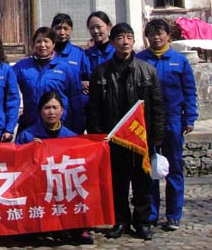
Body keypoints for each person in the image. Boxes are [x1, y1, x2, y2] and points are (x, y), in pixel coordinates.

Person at [88, 23, 165, 241]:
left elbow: (158, 105)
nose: (125, 42)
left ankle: (143, 222)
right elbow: (94, 108)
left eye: (129, 37)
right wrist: (97, 134)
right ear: (112, 42)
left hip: (140, 136)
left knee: (142, 182)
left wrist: (157, 133)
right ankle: (120, 220)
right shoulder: (101, 72)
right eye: (120, 38)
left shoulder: (147, 70)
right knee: (117, 183)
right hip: (113, 137)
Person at [138, 18, 198, 231]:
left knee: (174, 168)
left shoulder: (179, 61)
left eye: (160, 33)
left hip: (173, 120)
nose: (156, 37)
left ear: (168, 36)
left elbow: (189, 91)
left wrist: (190, 118)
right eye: (152, 34)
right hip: (147, 122)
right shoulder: (140, 60)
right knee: (149, 169)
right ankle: (151, 213)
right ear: (147, 37)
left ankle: (173, 214)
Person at [15, 92, 94, 245]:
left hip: (62, 185)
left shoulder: (71, 137)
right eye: (47, 108)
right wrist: (28, 149)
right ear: (40, 111)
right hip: (36, 185)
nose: (51, 112)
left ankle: (77, 227)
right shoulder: (27, 135)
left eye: (55, 107)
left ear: (62, 111)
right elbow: (16, 162)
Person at [13, 27, 70, 130]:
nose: (42, 45)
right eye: (38, 41)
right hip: (30, 125)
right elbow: (6, 83)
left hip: (57, 126)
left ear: (53, 44)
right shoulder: (22, 67)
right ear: (33, 44)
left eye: (46, 41)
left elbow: (74, 97)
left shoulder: (64, 68)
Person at [51, 14, 90, 134]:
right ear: (52, 29)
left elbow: (87, 78)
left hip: (73, 110)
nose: (62, 32)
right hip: (51, 109)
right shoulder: (48, 53)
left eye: (66, 28)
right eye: (58, 28)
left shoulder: (79, 54)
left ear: (71, 30)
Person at [84, 11, 114, 76]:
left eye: (99, 27)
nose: (95, 31)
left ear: (109, 26)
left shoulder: (118, 51)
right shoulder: (87, 54)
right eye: (91, 28)